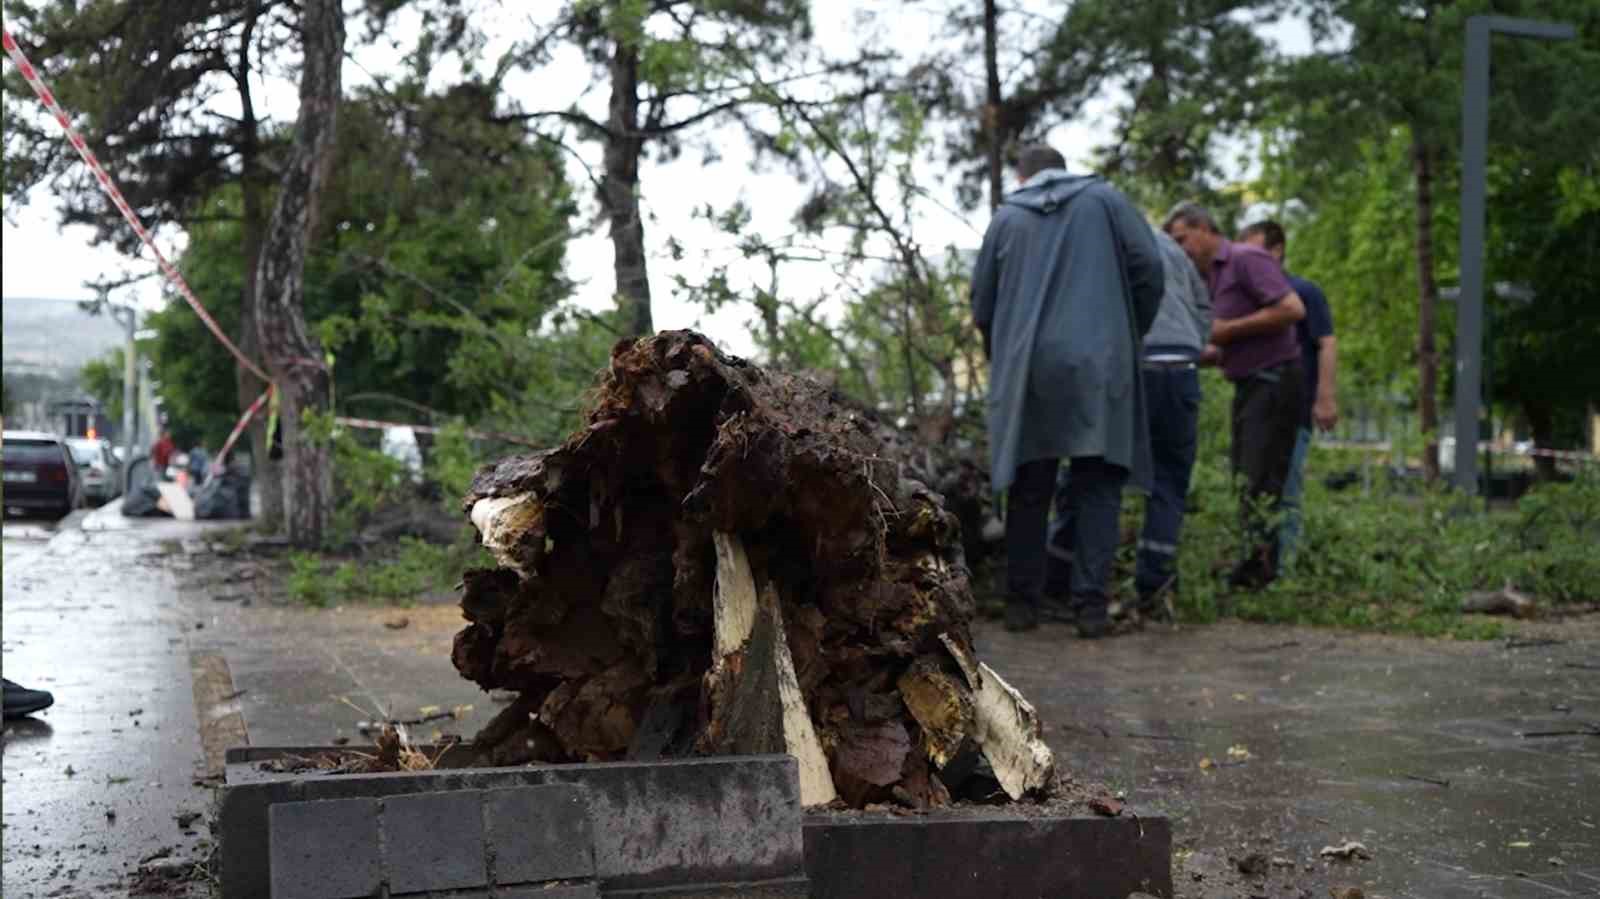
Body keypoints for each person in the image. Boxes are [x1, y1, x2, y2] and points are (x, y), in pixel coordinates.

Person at [971, 145, 1164, 636]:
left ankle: (1021, 605)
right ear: (1062, 166)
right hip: (1101, 361)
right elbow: (1149, 268)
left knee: (1030, 486)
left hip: (1029, 366)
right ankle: (1091, 610)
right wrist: (1126, 332)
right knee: (1098, 484)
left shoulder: (1006, 219)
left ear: (1022, 176)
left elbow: (982, 304)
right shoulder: (1106, 200)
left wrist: (1005, 357)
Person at [1047, 224, 1213, 624]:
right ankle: (1153, 589)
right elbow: (1204, 307)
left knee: (1096, 475)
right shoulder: (1172, 247)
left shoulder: (1100, 243)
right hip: (1182, 370)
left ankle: (1060, 582)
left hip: (1130, 369)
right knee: (1170, 482)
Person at [1164, 203, 1305, 593]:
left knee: (1261, 478)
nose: (1180, 249)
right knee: (1245, 476)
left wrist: (1227, 330)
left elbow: (1292, 309)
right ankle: (1254, 566)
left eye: (1181, 239)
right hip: (1249, 383)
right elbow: (1229, 341)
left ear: (1205, 229)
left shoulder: (1246, 258)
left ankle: (1260, 575)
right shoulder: (1209, 278)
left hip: (1274, 381)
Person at [1238, 220, 1338, 572]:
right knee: (1252, 490)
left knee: (1288, 492)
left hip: (1294, 410)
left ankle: (1286, 571)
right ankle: (1257, 564)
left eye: (1255, 249)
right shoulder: (1249, 298)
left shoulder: (1304, 291)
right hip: (1256, 410)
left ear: (1277, 250)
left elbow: (1326, 342)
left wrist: (1325, 398)